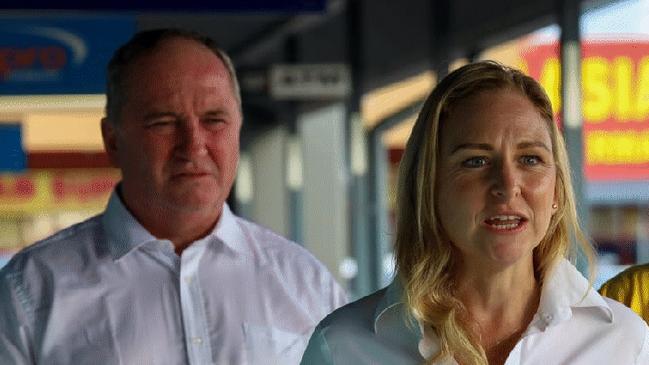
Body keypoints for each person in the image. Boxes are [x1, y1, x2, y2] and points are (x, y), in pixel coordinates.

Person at [0, 28, 346, 364]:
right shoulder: (29, 292)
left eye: (214, 119)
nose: (194, 145)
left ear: (238, 127)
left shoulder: (305, 283)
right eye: (163, 122)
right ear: (113, 141)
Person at [301, 61, 648, 365]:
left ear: (556, 191)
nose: (507, 184)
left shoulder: (623, 343)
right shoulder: (344, 348)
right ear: (429, 187)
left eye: (530, 159)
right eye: (476, 161)